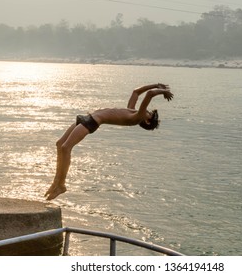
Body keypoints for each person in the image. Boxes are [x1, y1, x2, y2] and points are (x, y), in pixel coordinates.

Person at [44, 83, 174, 200]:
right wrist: (156, 85)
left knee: (66, 148)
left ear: (147, 121)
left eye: (150, 114)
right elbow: (136, 92)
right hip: (87, 117)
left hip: (93, 121)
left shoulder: (137, 117)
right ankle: (56, 181)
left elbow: (150, 95)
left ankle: (61, 185)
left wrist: (162, 91)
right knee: (59, 144)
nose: (149, 111)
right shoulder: (132, 110)